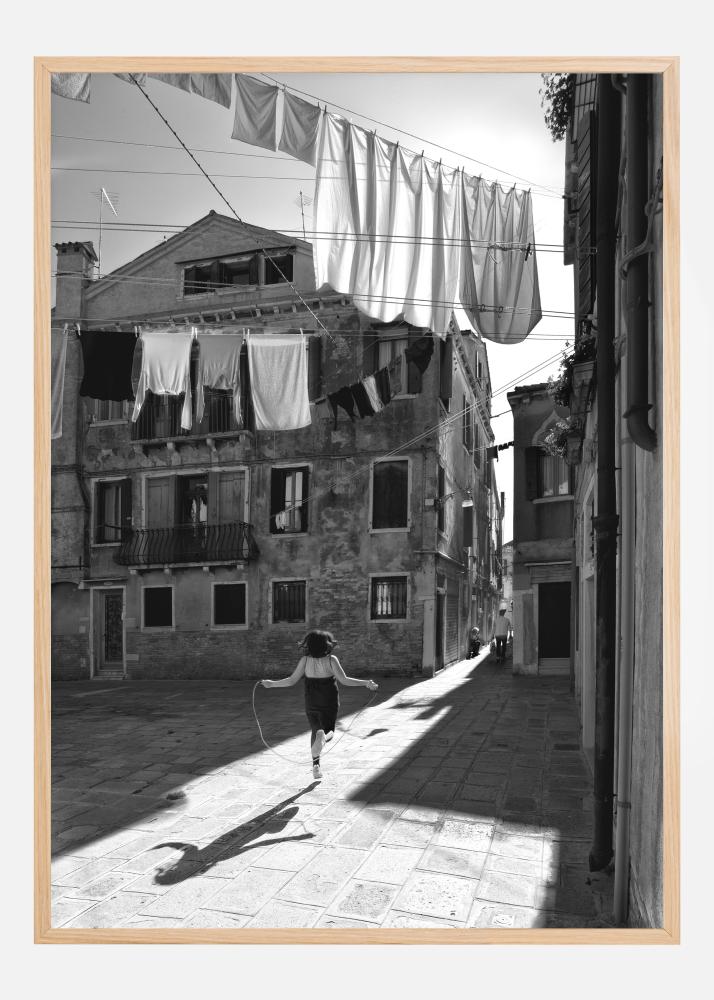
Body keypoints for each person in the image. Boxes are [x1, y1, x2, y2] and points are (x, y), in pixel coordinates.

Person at [261, 629, 378, 779]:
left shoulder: (305, 660)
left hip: (311, 700)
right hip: (329, 700)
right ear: (326, 644)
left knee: (316, 729)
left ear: (309, 645)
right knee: (329, 731)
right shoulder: (331, 660)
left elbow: (291, 680)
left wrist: (271, 684)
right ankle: (323, 740)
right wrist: (366, 683)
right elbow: (344, 680)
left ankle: (316, 766)